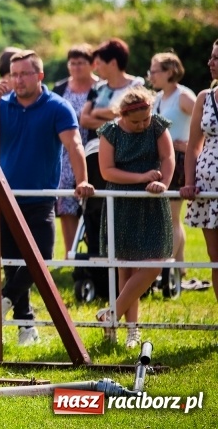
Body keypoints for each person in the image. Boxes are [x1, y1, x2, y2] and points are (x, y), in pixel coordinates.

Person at [0, 49, 94, 346]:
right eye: (14, 74)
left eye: (24, 74)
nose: (18, 80)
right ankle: (27, 328)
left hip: (40, 199)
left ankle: (4, 300)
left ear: (40, 76)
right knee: (12, 265)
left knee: (42, 259)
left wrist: (83, 179)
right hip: (4, 198)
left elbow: (75, 145)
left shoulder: (57, 106)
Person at [95, 87, 174, 348]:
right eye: (136, 121)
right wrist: (142, 178)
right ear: (122, 115)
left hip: (152, 202)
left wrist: (163, 184)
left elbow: (168, 157)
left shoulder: (158, 126)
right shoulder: (110, 132)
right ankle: (131, 330)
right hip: (121, 202)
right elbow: (107, 171)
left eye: (146, 119)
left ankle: (112, 313)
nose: (142, 125)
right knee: (126, 269)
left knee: (155, 263)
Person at [78, 38, 145, 257]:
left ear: (113, 63)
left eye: (99, 63)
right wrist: (113, 117)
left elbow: (132, 117)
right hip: (95, 153)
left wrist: (100, 113)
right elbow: (84, 119)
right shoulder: (97, 88)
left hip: (127, 154)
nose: (95, 68)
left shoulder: (136, 85)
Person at [148, 52, 196, 278]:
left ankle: (166, 267)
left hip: (180, 162)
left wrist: (191, 146)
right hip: (164, 161)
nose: (151, 75)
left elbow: (207, 123)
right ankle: (180, 266)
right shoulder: (158, 98)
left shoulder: (184, 96)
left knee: (171, 217)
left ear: (169, 72)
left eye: (155, 70)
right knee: (171, 216)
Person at [51, 44, 99, 255]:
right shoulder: (60, 88)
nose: (77, 67)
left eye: (81, 63)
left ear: (92, 64)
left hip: (93, 151)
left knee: (92, 204)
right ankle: (70, 254)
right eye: (73, 63)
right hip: (64, 153)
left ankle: (93, 250)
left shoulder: (100, 88)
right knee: (66, 204)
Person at [180, 40, 218, 301]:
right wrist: (190, 182)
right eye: (211, 57)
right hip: (207, 189)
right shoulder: (204, 98)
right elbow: (193, 145)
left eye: (216, 58)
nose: (210, 62)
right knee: (215, 259)